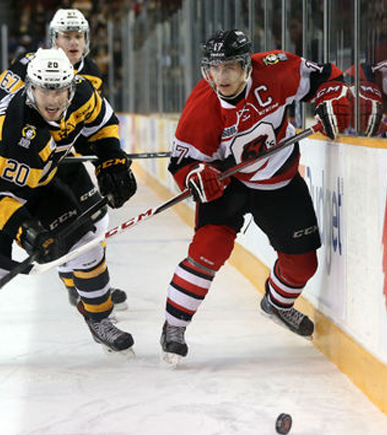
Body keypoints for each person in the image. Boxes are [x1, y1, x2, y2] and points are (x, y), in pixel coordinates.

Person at [0, 48, 137, 365]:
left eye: (60, 88)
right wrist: (30, 234)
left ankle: (99, 319)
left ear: (71, 86)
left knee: (87, 247)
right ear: (29, 87)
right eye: (45, 89)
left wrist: (112, 161)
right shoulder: (16, 129)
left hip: (40, 182)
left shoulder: (82, 94)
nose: (53, 99)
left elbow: (101, 124)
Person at [159, 29, 354, 365]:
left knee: (303, 265)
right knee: (207, 251)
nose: (221, 77)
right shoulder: (202, 107)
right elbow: (181, 163)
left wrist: (334, 101)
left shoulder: (276, 70)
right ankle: (174, 328)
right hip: (227, 183)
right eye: (214, 69)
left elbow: (327, 79)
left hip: (279, 177)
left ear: (247, 66)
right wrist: (196, 176)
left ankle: (277, 304)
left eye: (230, 67)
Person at [0, 8, 127, 310]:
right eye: (65, 36)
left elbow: (89, 121)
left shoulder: (91, 73)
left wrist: (103, 154)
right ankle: (74, 282)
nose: (73, 42)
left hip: (64, 161)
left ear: (87, 40)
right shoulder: (27, 66)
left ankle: (84, 283)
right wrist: (25, 143)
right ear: (53, 38)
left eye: (78, 35)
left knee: (95, 219)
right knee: (58, 226)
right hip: (31, 161)